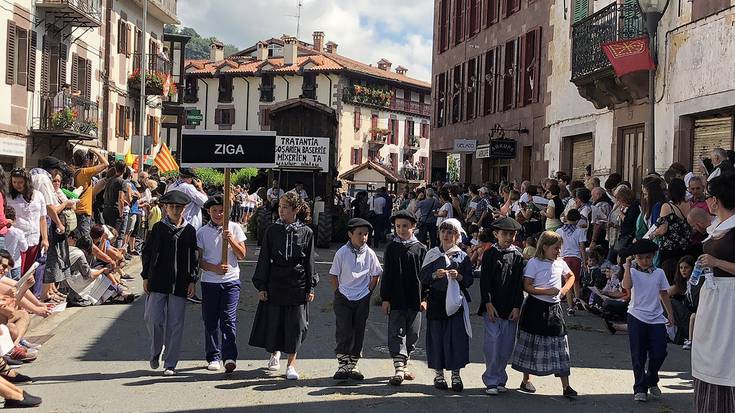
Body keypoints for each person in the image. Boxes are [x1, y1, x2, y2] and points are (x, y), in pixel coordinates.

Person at [249, 192, 317, 381]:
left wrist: (310, 287)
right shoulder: (272, 230)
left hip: (297, 282)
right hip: (275, 280)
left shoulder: (306, 232)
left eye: (285, 207)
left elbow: (309, 261)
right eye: (280, 206)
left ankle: (291, 364)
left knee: (296, 325)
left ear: (295, 210)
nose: (281, 210)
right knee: (275, 321)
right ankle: (274, 353)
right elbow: (264, 259)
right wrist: (261, 285)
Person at [511, 231, 577, 398]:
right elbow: (527, 286)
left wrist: (563, 291)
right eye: (555, 248)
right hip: (535, 307)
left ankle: (566, 386)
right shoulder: (534, 263)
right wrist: (546, 291)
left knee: (560, 344)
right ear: (545, 247)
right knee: (531, 343)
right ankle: (526, 380)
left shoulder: (560, 262)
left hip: (554, 309)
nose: (558, 252)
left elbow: (571, 276)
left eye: (560, 248)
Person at [142, 190, 199, 376]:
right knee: (153, 318)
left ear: (184, 209)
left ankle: (170, 362)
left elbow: (193, 258)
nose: (175, 210)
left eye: (179, 207)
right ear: (165, 208)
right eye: (172, 207)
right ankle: (155, 351)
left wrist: (192, 280)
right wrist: (145, 276)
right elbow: (148, 253)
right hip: (158, 281)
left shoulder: (189, 231)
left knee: (176, 323)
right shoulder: (158, 228)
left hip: (180, 283)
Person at [692, 173, 735, 412]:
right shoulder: (717, 226)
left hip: (730, 302)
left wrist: (717, 262)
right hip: (714, 299)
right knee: (709, 358)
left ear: (716, 200)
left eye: (708, 196)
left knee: (726, 360)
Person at [419, 218, 474, 392]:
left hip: (455, 302)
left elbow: (469, 280)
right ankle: (439, 374)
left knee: (456, 337)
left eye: (450, 232)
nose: (446, 235)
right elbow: (423, 277)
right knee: (437, 337)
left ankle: (456, 375)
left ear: (457, 235)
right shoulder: (432, 253)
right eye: (443, 231)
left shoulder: (462, 256)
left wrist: (458, 277)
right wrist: (435, 275)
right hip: (436, 300)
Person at [197, 195, 247, 373]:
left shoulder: (235, 227)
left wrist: (231, 239)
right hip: (210, 281)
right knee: (211, 320)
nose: (218, 214)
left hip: (231, 281)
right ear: (208, 212)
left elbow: (242, 255)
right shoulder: (202, 232)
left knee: (228, 319)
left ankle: (229, 356)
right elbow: (199, 261)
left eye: (221, 210)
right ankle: (213, 356)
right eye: (214, 211)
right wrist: (214, 268)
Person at [621, 239, 674, 402]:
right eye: (641, 257)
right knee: (639, 354)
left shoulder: (659, 273)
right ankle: (640, 388)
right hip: (636, 315)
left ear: (653, 257)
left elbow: (664, 293)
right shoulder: (633, 271)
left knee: (660, 352)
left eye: (648, 258)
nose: (645, 261)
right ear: (636, 257)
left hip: (656, 317)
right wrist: (628, 266)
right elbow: (626, 286)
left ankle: (651, 379)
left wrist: (670, 313)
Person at [329, 218, 382, 381]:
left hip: (362, 297)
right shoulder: (342, 253)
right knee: (344, 329)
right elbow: (333, 275)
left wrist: (368, 291)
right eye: (359, 234)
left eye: (366, 234)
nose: (363, 237)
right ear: (350, 234)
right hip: (344, 296)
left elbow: (376, 274)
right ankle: (342, 364)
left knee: (358, 330)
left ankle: (353, 364)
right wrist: (338, 292)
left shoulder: (370, 254)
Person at [381, 210, 427, 386]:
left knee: (413, 333)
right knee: (396, 331)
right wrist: (385, 298)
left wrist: (425, 298)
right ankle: (398, 366)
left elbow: (425, 276)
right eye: (398, 226)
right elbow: (387, 275)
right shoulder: (392, 248)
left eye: (405, 226)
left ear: (413, 227)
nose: (401, 229)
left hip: (415, 299)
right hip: (396, 298)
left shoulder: (421, 249)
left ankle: (404, 363)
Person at [479, 217, 525, 396]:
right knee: (493, 343)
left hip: (510, 307)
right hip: (493, 306)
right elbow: (485, 281)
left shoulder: (518, 255)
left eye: (511, 234)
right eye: (504, 234)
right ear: (496, 234)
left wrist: (517, 306)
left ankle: (500, 378)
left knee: (506, 345)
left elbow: (517, 285)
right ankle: (490, 379)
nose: (508, 237)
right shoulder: (490, 254)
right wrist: (487, 302)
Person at [72, 148, 109, 241]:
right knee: (85, 241)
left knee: (77, 239)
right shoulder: (85, 172)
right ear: (85, 160)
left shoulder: (75, 171)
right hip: (83, 211)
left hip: (76, 209)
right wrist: (96, 152)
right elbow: (105, 164)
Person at [557, 210, 587, 316]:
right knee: (576, 281)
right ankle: (577, 299)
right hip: (576, 258)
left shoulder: (559, 231)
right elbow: (582, 247)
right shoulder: (580, 231)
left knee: (567, 282)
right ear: (577, 220)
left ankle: (570, 308)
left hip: (564, 258)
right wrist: (585, 261)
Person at [3, 207, 27, 281]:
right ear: (14, 218)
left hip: (3, 264)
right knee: (16, 286)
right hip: (15, 263)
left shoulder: (2, 233)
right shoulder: (18, 232)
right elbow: (24, 248)